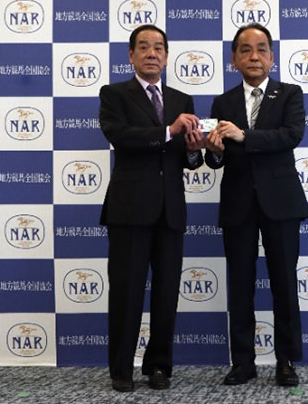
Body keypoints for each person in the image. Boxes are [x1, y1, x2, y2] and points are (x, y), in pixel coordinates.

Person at [98, 24, 205, 392]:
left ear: (167, 56)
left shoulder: (182, 99)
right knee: (126, 291)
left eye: (158, 47)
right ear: (131, 55)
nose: (151, 53)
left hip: (170, 210)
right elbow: (120, 137)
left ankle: (159, 366)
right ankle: (121, 369)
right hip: (129, 210)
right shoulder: (114, 94)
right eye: (143, 47)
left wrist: (193, 148)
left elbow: (188, 160)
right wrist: (169, 131)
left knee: (166, 293)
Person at [205, 23, 308, 387]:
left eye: (261, 49)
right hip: (238, 203)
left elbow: (290, 136)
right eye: (245, 50)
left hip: (281, 202)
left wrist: (243, 135)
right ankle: (242, 363)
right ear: (234, 59)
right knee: (240, 284)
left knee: (284, 283)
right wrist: (214, 151)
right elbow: (216, 160)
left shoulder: (290, 94)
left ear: (271, 57)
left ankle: (286, 361)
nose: (254, 56)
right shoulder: (222, 103)